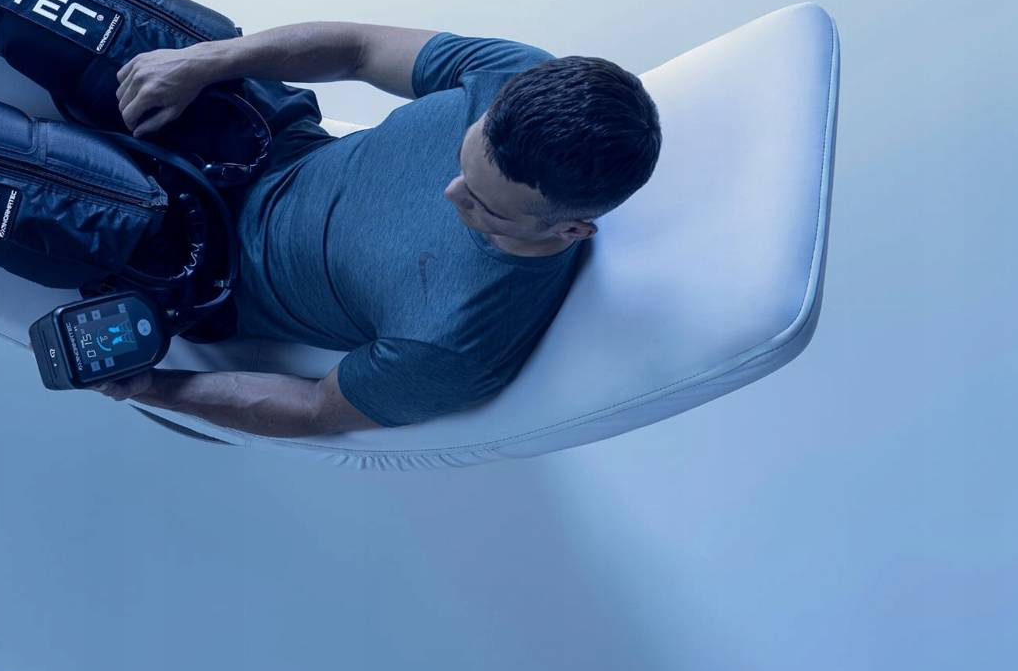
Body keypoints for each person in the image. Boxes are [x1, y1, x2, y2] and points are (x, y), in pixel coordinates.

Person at [89, 23, 663, 438]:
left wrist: (154, 388)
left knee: (39, 168)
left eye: (485, 206)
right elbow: (360, 50)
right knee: (52, 0)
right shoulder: (514, 75)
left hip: (198, 257)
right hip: (268, 138)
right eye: (463, 163)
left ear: (572, 230)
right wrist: (204, 60)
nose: (452, 194)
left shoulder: (459, 345)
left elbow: (315, 409)